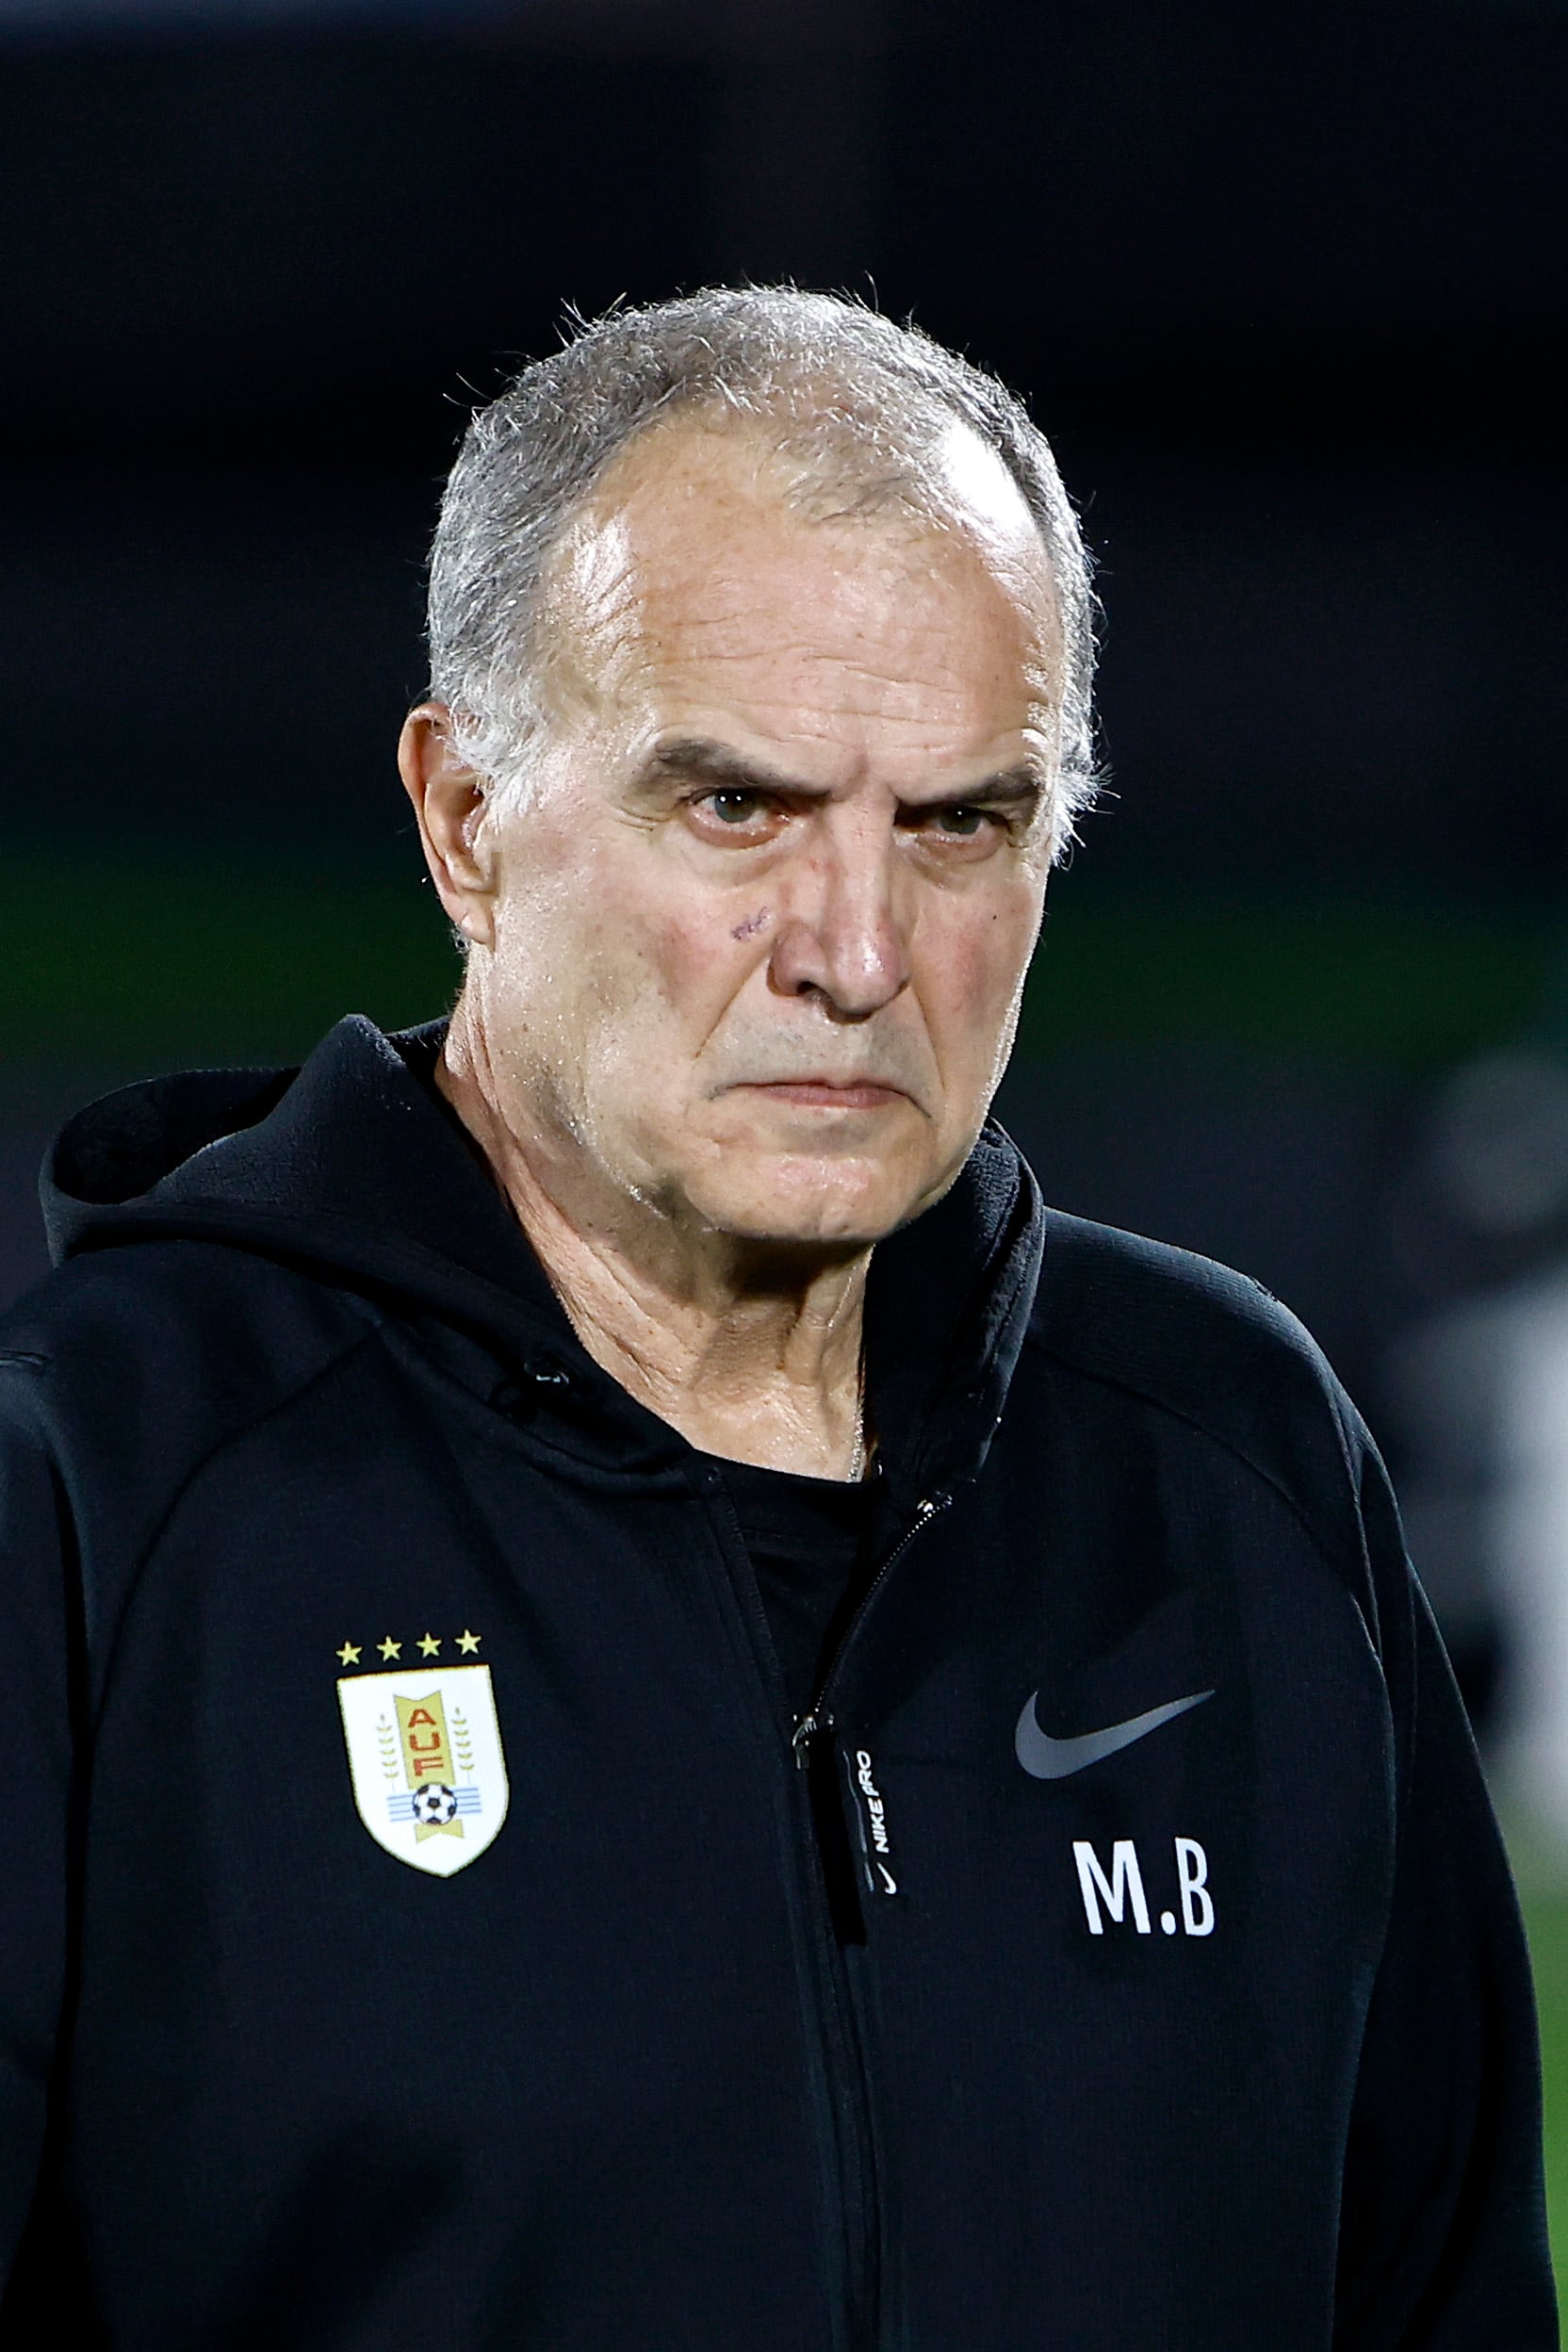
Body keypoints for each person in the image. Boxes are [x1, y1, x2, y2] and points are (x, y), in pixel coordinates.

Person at [0, 288, 1554, 2348]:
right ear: (466, 823)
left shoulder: (1232, 1470)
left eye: (959, 824)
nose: (855, 951)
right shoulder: (96, 1497)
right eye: (737, 807)